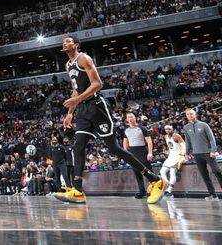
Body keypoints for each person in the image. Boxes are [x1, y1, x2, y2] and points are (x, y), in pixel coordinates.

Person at [54, 36, 165, 204]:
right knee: (78, 146)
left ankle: (155, 179)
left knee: (114, 148)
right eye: (64, 41)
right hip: (83, 110)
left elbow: (97, 84)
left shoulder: (84, 58)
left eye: (69, 41)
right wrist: (70, 112)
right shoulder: (68, 65)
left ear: (76, 45)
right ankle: (77, 190)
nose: (65, 43)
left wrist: (78, 100)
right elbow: (75, 90)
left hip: (97, 106)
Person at [182, 108, 222, 200]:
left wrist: (213, 150)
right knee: (204, 174)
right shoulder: (186, 127)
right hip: (196, 154)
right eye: (188, 114)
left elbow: (212, 139)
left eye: (191, 113)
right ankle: (213, 194)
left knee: (217, 171)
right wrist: (187, 153)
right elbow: (187, 141)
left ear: (195, 114)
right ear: (186, 116)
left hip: (208, 153)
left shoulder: (204, 125)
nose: (190, 115)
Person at [123, 112, 154, 199]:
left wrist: (150, 152)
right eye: (129, 117)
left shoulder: (142, 128)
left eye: (132, 117)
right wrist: (125, 153)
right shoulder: (126, 130)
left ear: (135, 118)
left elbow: (149, 141)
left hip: (142, 150)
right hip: (132, 152)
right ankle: (142, 191)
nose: (131, 118)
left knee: (148, 171)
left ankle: (152, 190)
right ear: (127, 120)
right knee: (137, 172)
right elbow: (125, 142)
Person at [159, 125, 185, 198]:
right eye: (166, 129)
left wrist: (183, 156)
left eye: (169, 129)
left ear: (172, 129)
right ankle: (167, 186)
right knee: (162, 172)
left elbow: (183, 146)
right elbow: (170, 147)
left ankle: (169, 190)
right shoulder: (165, 137)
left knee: (172, 172)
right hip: (171, 156)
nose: (168, 130)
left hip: (178, 156)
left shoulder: (176, 136)